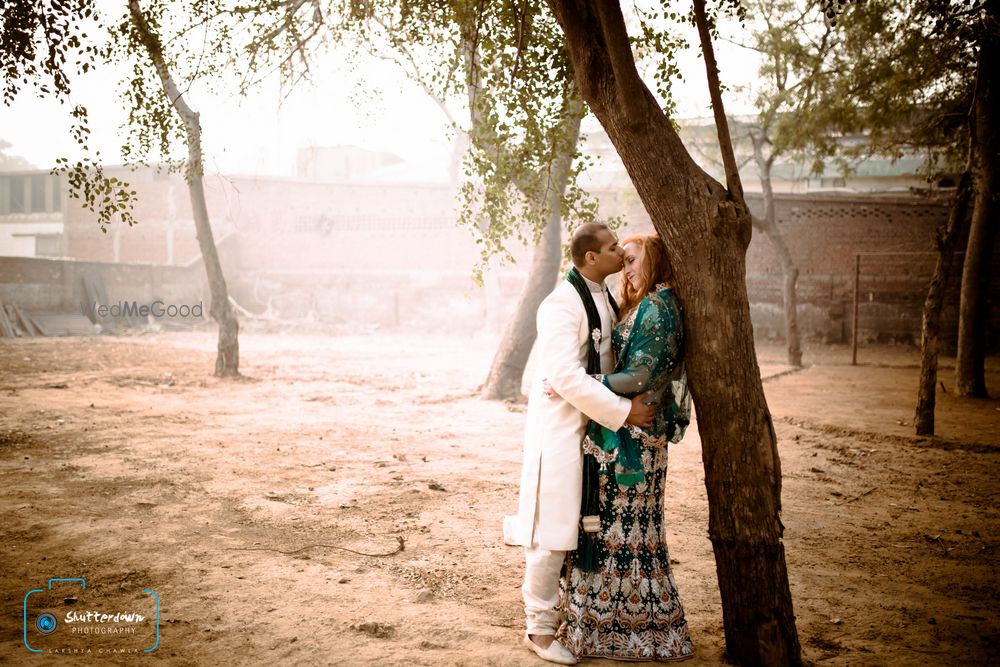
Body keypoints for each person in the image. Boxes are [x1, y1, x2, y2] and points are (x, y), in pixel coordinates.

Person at [503, 222, 657, 666]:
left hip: (592, 430)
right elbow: (563, 375)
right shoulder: (560, 305)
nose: (620, 255)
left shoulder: (604, 296)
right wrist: (625, 412)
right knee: (551, 532)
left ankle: (572, 616)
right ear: (591, 258)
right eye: (613, 249)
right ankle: (539, 628)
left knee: (581, 528)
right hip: (560, 431)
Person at [557, 232, 695, 662]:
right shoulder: (648, 304)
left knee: (625, 535)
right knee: (616, 531)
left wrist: (579, 386)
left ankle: (634, 632)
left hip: (636, 434)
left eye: (633, 260)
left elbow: (639, 377)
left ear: (655, 262)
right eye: (625, 260)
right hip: (627, 430)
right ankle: (610, 627)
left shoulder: (658, 306)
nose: (627, 268)